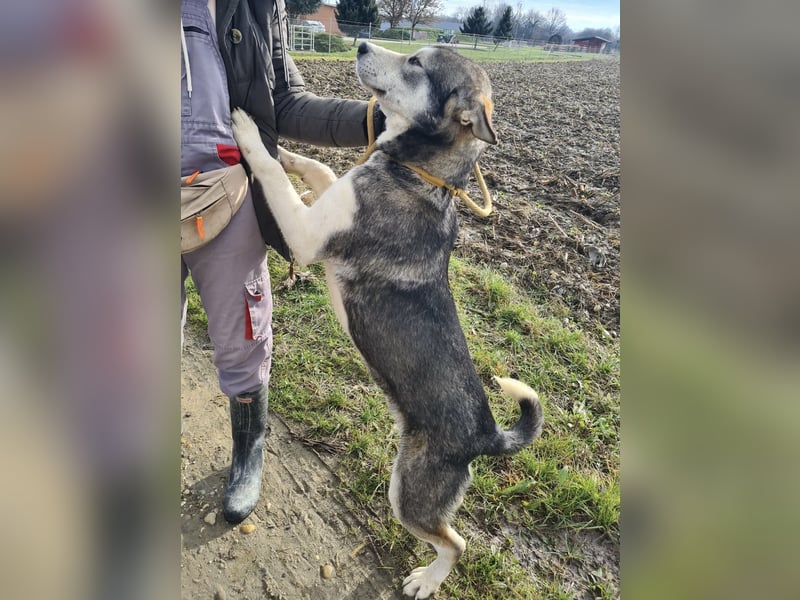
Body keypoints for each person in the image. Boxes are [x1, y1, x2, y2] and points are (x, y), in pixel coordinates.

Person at [181, 0, 384, 523]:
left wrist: (374, 120)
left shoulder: (253, 5)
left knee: (243, 334)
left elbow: (287, 100)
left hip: (224, 196)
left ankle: (248, 452)